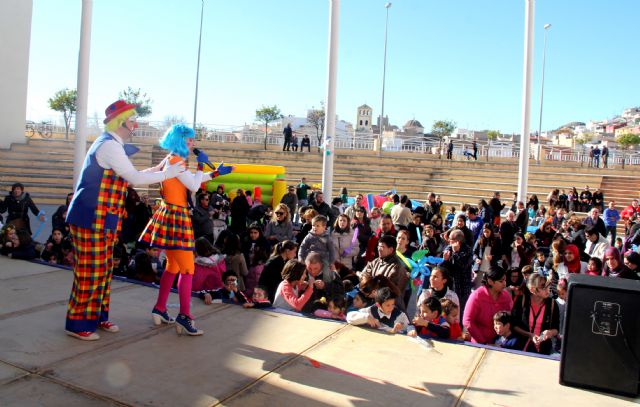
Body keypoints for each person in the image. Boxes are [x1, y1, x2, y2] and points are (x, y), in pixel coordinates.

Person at [64, 100, 185, 341]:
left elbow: (129, 176)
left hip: (104, 219)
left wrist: (159, 168)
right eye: (132, 120)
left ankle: (96, 316)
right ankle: (77, 323)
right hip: (90, 218)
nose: (136, 125)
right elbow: (132, 176)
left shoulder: (113, 146)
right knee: (90, 270)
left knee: (104, 270)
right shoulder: (109, 146)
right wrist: (167, 172)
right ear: (121, 122)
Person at [141, 123, 232, 337]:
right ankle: (184, 316)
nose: (192, 143)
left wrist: (216, 173)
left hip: (169, 214)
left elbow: (191, 182)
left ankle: (160, 308)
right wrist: (202, 167)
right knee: (188, 268)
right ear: (180, 140)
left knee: (173, 265)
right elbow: (193, 186)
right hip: (177, 216)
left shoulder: (171, 159)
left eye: (192, 140)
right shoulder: (176, 161)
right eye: (189, 140)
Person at [511, 273, 560, 355]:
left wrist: (550, 332)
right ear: (532, 290)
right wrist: (529, 335)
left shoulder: (552, 303)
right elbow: (514, 325)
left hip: (543, 350)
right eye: (543, 287)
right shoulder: (522, 300)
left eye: (548, 285)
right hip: (520, 349)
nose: (548, 289)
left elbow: (556, 328)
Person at [463, 267, 513, 344]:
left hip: (501, 344)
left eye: (505, 280)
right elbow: (467, 321)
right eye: (501, 281)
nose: (504, 284)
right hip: (479, 344)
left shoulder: (507, 296)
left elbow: (510, 319)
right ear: (490, 281)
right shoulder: (477, 296)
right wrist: (484, 342)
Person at [360, 235, 409, 309]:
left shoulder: (397, 267)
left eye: (382, 247)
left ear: (391, 250)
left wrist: (374, 289)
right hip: (372, 301)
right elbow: (364, 275)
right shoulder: (376, 261)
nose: (379, 249)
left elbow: (392, 292)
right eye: (378, 246)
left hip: (390, 307)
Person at [347, 287, 414, 335]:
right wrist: (366, 317)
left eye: (393, 304)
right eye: (388, 305)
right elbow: (349, 317)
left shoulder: (399, 315)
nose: (391, 308)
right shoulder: (371, 311)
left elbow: (409, 326)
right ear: (378, 305)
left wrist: (411, 330)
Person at [441, 229, 473, 316]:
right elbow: (442, 268)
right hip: (450, 285)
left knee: (460, 310)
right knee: (447, 310)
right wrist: (445, 260)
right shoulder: (448, 248)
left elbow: (463, 265)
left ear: (457, 241)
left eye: (451, 240)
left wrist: (456, 253)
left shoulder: (468, 250)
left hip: (463, 286)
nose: (449, 242)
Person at [472, 224, 502, 288]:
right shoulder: (479, 240)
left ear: (491, 231)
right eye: (484, 231)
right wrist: (476, 259)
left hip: (491, 268)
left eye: (487, 232)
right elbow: (474, 252)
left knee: (489, 287)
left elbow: (499, 254)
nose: (486, 233)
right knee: (477, 286)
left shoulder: (496, 241)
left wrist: (493, 257)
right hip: (480, 268)